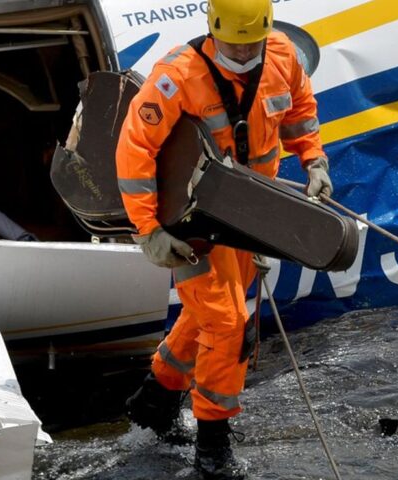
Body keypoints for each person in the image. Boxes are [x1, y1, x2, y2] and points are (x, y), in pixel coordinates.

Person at [114, 0, 332, 478]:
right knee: (228, 323)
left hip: (250, 218)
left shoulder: (282, 57)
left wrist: (313, 160)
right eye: (235, 42)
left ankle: (155, 399)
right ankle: (212, 445)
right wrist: (148, 230)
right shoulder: (177, 76)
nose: (244, 50)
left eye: (252, 41)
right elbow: (135, 151)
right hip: (191, 225)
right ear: (213, 29)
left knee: (208, 315)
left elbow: (299, 112)